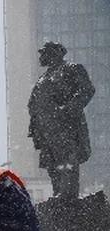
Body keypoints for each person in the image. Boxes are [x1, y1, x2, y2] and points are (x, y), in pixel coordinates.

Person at [28, 41, 95, 201]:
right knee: (52, 164)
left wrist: (68, 109)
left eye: (44, 52)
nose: (41, 56)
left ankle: (68, 195)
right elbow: (34, 104)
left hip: (65, 127)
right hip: (46, 130)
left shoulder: (71, 69)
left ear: (55, 53)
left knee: (67, 160)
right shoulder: (42, 79)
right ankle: (58, 192)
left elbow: (87, 89)